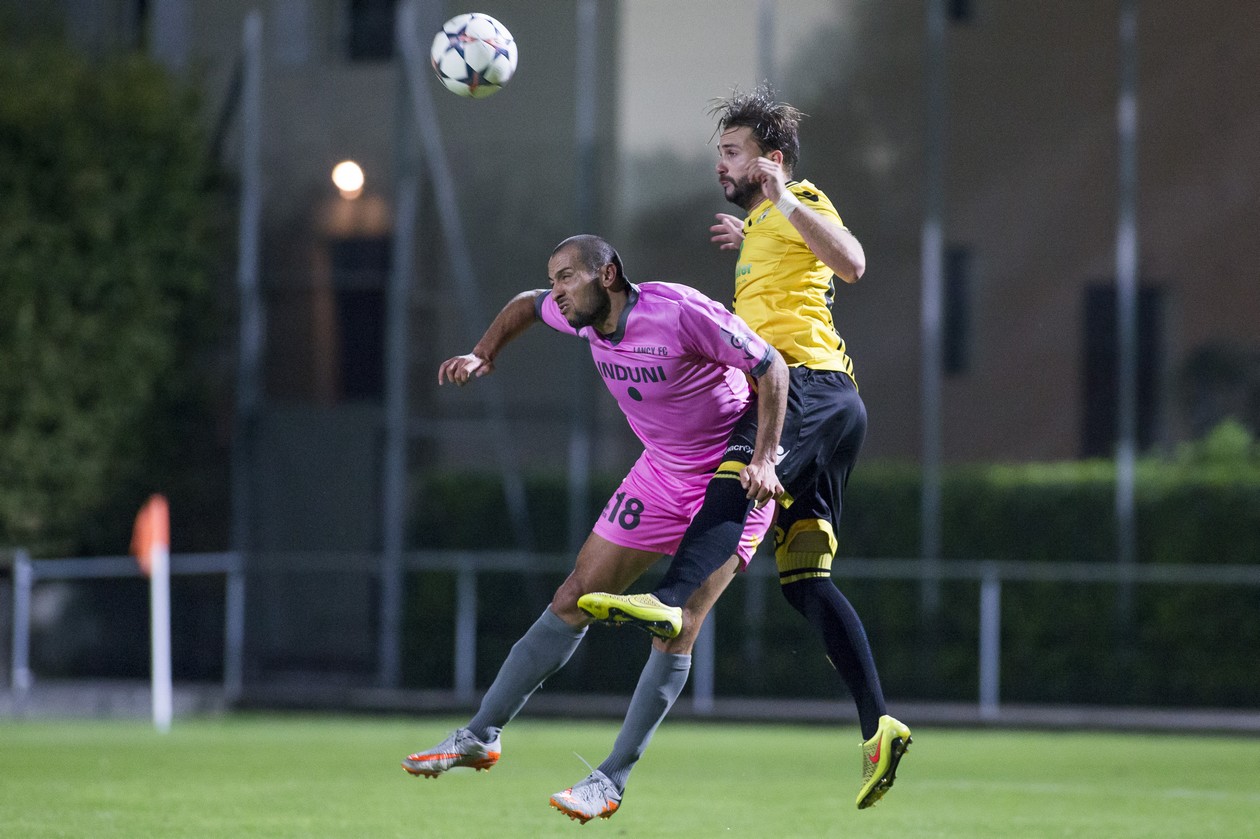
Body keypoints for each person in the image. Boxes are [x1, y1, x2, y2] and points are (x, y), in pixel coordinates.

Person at [577, 84, 912, 810]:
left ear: (772, 160)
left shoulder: (800, 198)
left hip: (808, 390)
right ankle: (879, 723)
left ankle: (670, 598)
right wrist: (756, 226)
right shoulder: (765, 222)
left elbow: (851, 261)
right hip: (834, 406)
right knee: (806, 582)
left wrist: (784, 201)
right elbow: (789, 278)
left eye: (731, 153)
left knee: (735, 474)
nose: (720, 165)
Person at [401, 234, 789, 823]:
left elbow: (772, 368)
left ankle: (612, 778)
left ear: (607, 274)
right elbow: (524, 306)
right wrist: (484, 353)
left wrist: (762, 458)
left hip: (732, 478)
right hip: (659, 475)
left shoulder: (677, 312)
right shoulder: (577, 315)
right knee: (572, 596)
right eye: (553, 277)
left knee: (677, 625)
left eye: (566, 277)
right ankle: (481, 734)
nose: (556, 290)